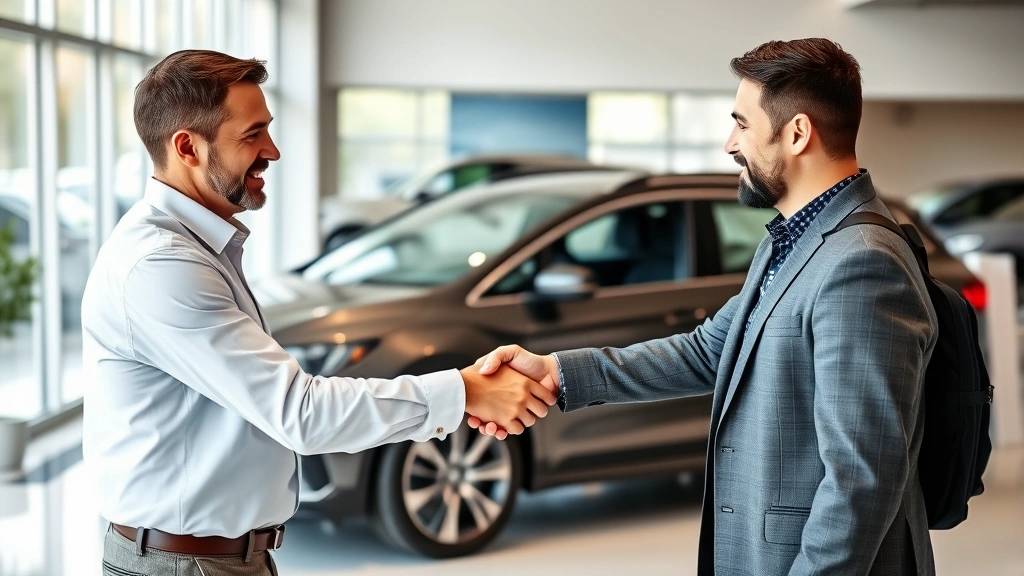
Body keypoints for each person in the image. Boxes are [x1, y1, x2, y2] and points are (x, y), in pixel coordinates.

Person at [470, 38, 938, 576]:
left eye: (741, 123)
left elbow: (863, 477)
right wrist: (556, 373)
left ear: (797, 133)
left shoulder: (861, 265)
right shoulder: (794, 237)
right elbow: (710, 350)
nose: (728, 143)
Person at [82, 50, 555, 576]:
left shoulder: (196, 250)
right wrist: (465, 390)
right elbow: (300, 413)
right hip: (186, 565)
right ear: (188, 147)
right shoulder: (161, 266)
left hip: (213, 558)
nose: (272, 151)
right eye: (252, 134)